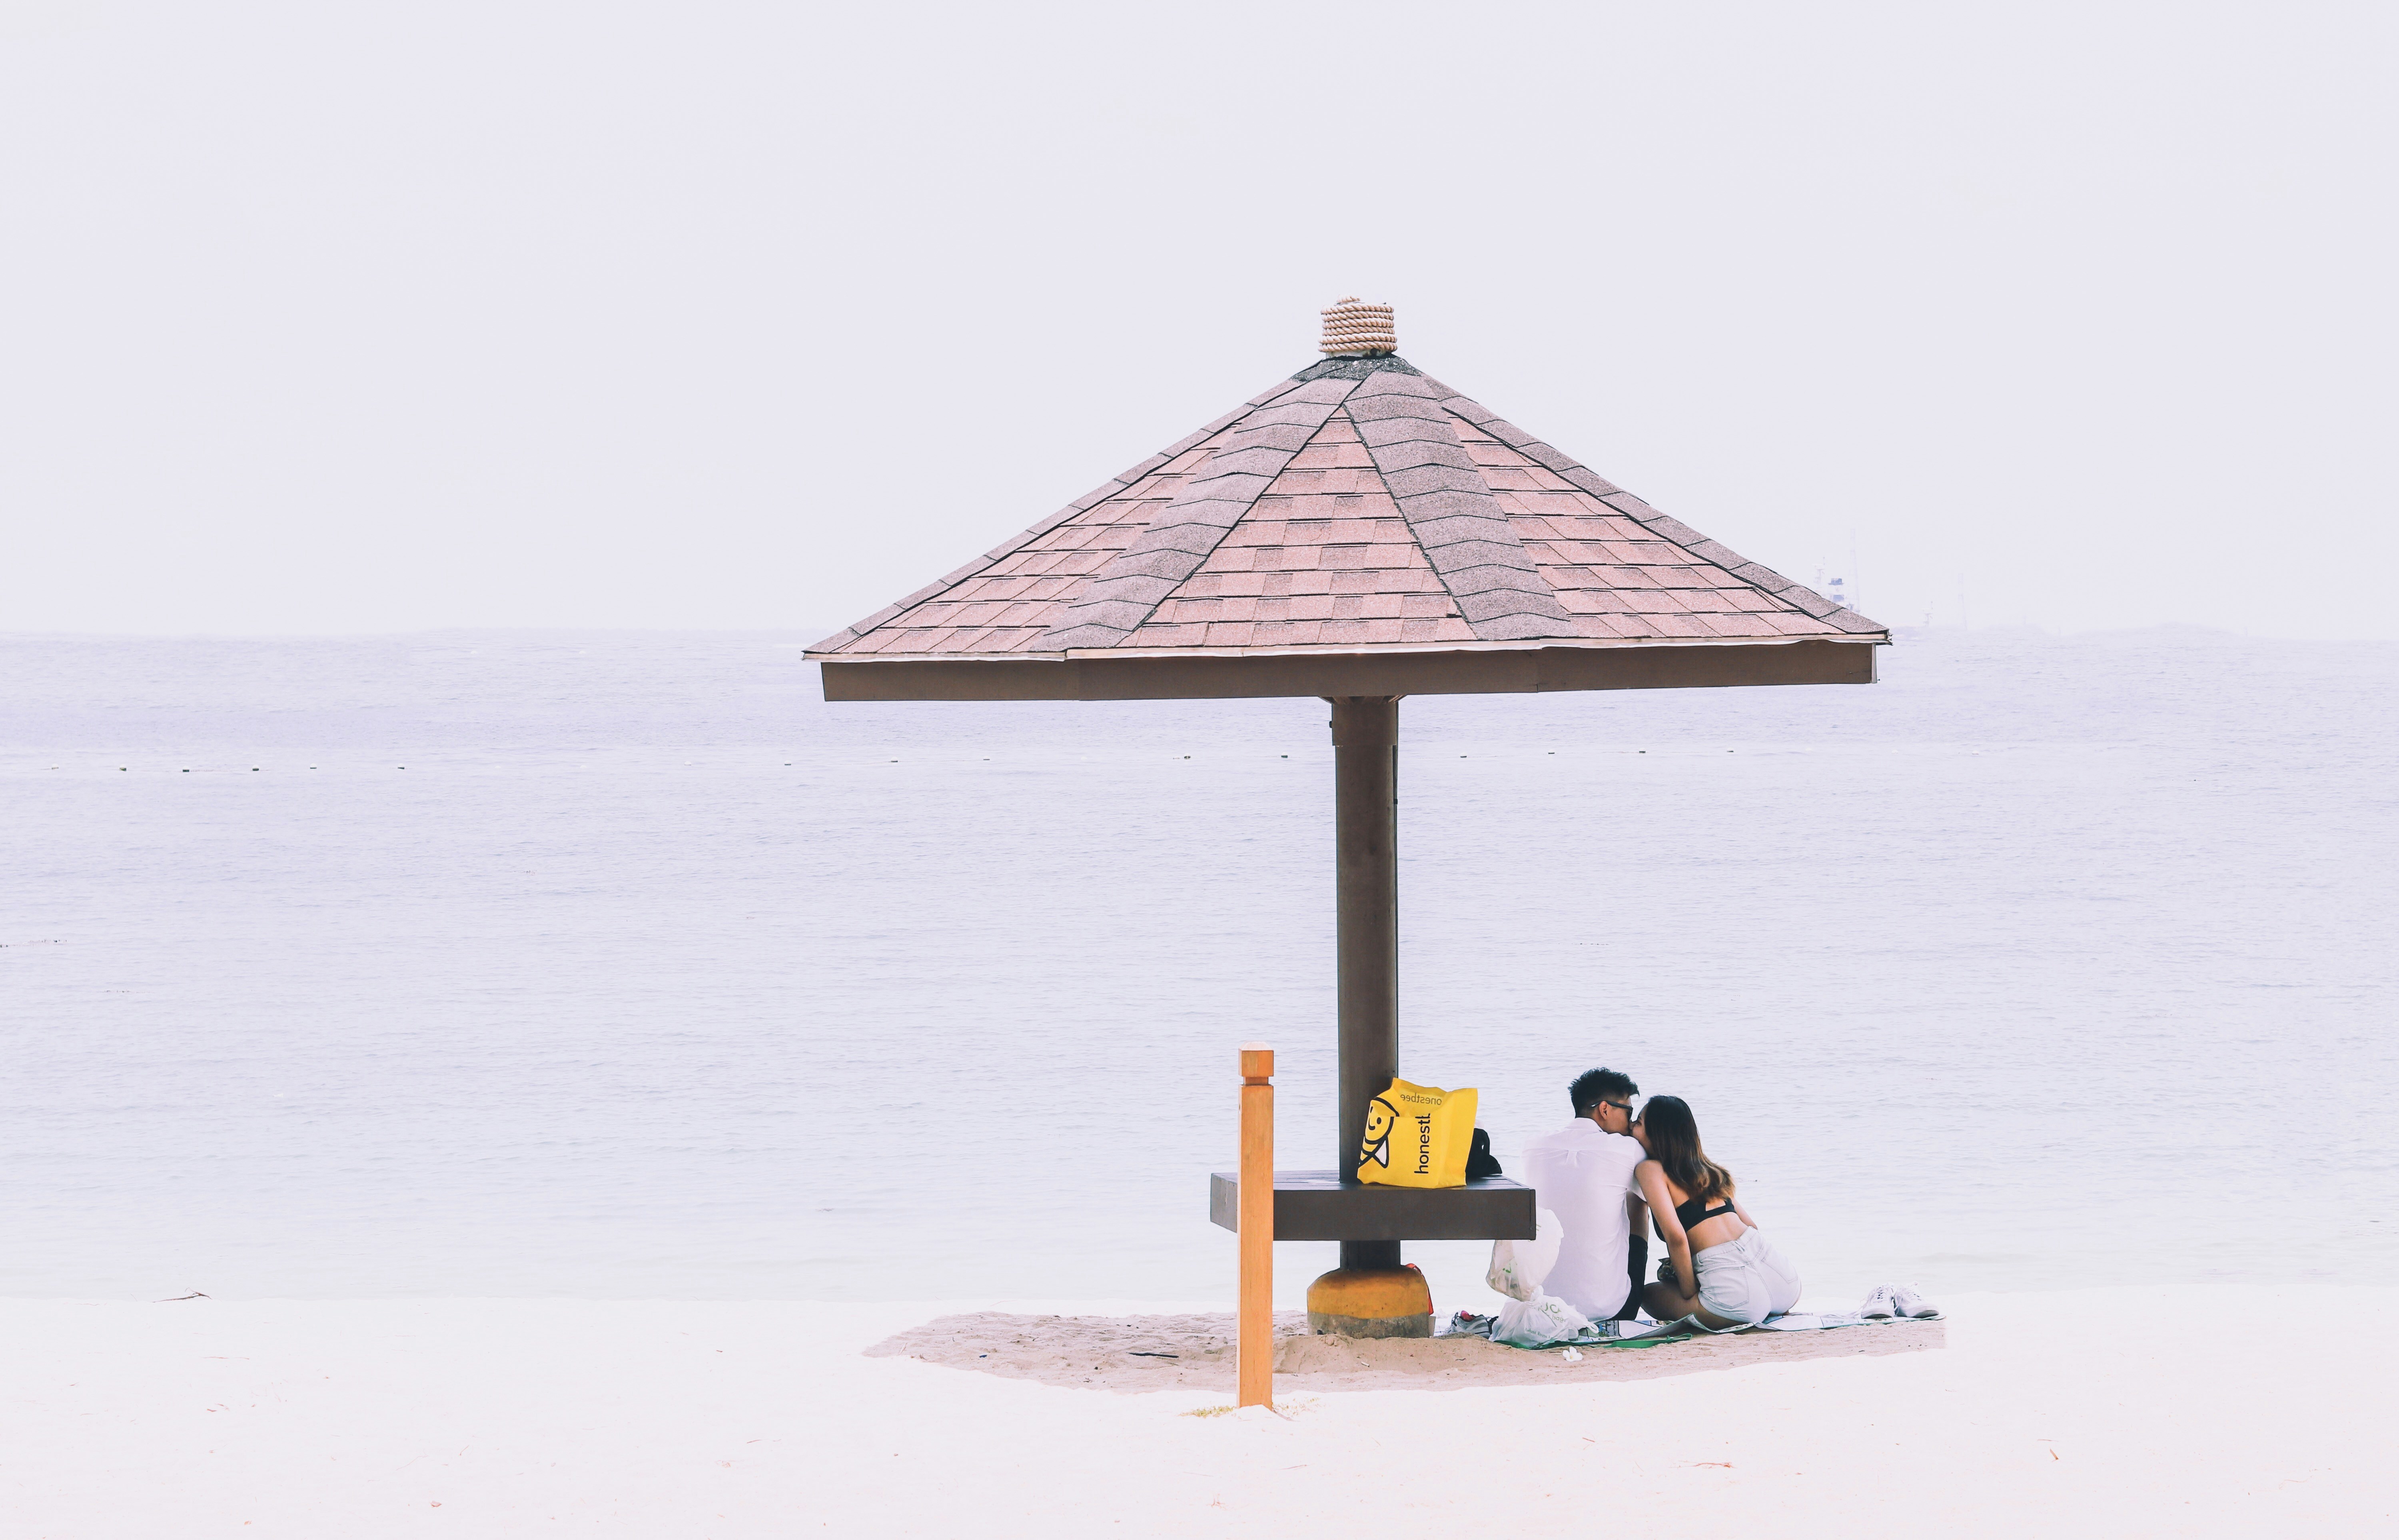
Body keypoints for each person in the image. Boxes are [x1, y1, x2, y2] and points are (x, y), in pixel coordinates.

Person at [1631, 1095, 1802, 1327]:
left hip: (1737, 1298)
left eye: (1639, 1122)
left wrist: (1689, 1295)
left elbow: (1677, 1238)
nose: (1632, 1126)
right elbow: (1751, 1226)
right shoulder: (1709, 1170)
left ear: (1658, 1133)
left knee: (1646, 1294)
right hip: (1782, 1279)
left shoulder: (1650, 1170)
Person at [1519, 1068, 1650, 1323]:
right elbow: (1656, 1197)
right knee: (1637, 1199)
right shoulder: (1627, 1149)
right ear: (1605, 1110)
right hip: (1610, 1311)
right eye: (1629, 1112)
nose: (1631, 1123)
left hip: (1541, 1309)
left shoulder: (1534, 1144)